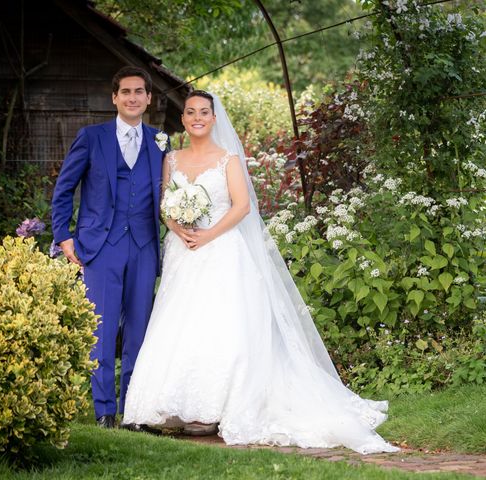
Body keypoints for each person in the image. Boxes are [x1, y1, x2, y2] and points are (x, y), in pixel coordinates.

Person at [122, 91, 399, 454]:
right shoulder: (171, 159)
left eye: (204, 112)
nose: (197, 118)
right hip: (184, 252)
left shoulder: (228, 160)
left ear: (214, 118)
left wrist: (208, 233)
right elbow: (164, 203)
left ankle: (217, 408)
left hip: (221, 250)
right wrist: (177, 226)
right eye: (190, 113)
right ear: (184, 120)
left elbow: (241, 207)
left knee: (223, 325)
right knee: (181, 322)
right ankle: (173, 407)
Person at [51, 66, 167, 430]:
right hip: (100, 247)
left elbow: (173, 194)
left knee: (139, 331)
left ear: (149, 98)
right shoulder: (92, 137)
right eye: (125, 92)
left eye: (139, 92)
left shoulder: (160, 141)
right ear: (114, 97)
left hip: (145, 245)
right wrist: (63, 236)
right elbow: (64, 189)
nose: (132, 97)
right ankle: (104, 411)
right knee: (100, 332)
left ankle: (132, 410)